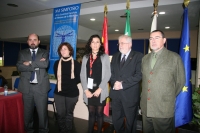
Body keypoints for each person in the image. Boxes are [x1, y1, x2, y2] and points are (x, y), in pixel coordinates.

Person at [140, 30, 185, 133]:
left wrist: (166, 96)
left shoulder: (174, 58)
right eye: (151, 38)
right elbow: (145, 81)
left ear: (164, 40)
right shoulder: (145, 59)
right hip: (146, 108)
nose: (153, 41)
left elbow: (180, 82)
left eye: (157, 38)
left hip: (163, 108)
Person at [16, 33, 50, 133]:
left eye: (35, 39)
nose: (32, 41)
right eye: (30, 40)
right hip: (26, 88)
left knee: (42, 113)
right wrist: (37, 63)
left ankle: (43, 130)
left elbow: (44, 64)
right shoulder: (22, 53)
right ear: (27, 42)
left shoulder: (44, 52)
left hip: (41, 88)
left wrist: (29, 63)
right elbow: (19, 67)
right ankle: (29, 130)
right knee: (27, 113)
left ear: (39, 41)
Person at [110, 34, 143, 133]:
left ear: (130, 44)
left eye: (123, 43)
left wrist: (122, 84)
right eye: (119, 43)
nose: (120, 45)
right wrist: (114, 83)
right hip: (116, 95)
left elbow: (139, 75)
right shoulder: (115, 56)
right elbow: (111, 73)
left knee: (130, 121)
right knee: (116, 120)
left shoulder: (138, 56)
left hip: (130, 95)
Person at [80, 34, 111, 133]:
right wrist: (85, 90)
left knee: (99, 114)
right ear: (90, 44)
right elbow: (82, 75)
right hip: (88, 90)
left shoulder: (104, 57)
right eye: (93, 42)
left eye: (97, 42)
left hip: (100, 90)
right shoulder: (85, 57)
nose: (95, 44)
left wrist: (100, 89)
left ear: (100, 44)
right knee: (91, 113)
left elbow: (108, 74)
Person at [53, 42, 81, 133]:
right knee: (60, 114)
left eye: (65, 49)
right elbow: (56, 76)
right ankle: (62, 130)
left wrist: (71, 83)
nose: (63, 51)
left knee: (69, 114)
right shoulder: (57, 63)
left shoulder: (76, 63)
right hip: (59, 93)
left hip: (72, 93)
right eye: (61, 49)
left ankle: (68, 131)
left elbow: (79, 78)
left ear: (70, 51)